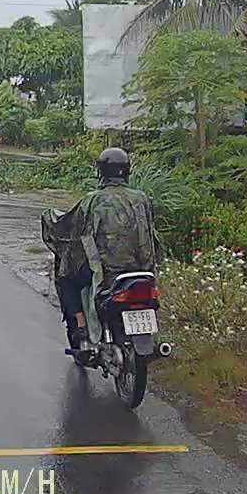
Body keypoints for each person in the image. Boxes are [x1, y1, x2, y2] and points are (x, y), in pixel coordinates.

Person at [58, 147, 161, 350]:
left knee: (66, 278)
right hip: (142, 271)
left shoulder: (92, 200)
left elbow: (77, 237)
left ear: (101, 171)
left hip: (106, 274)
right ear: (127, 170)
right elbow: (151, 235)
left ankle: (81, 325)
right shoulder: (142, 198)